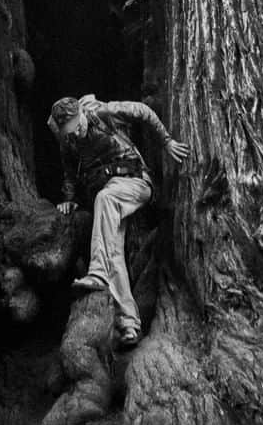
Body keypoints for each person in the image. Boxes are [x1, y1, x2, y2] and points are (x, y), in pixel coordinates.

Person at [48, 93, 189, 348]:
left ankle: (97, 272)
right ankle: (129, 324)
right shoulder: (67, 141)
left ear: (81, 114)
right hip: (110, 198)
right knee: (114, 251)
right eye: (69, 131)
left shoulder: (105, 113)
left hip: (135, 183)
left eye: (78, 125)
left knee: (105, 198)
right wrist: (68, 198)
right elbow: (69, 172)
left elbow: (143, 111)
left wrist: (166, 141)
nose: (76, 133)